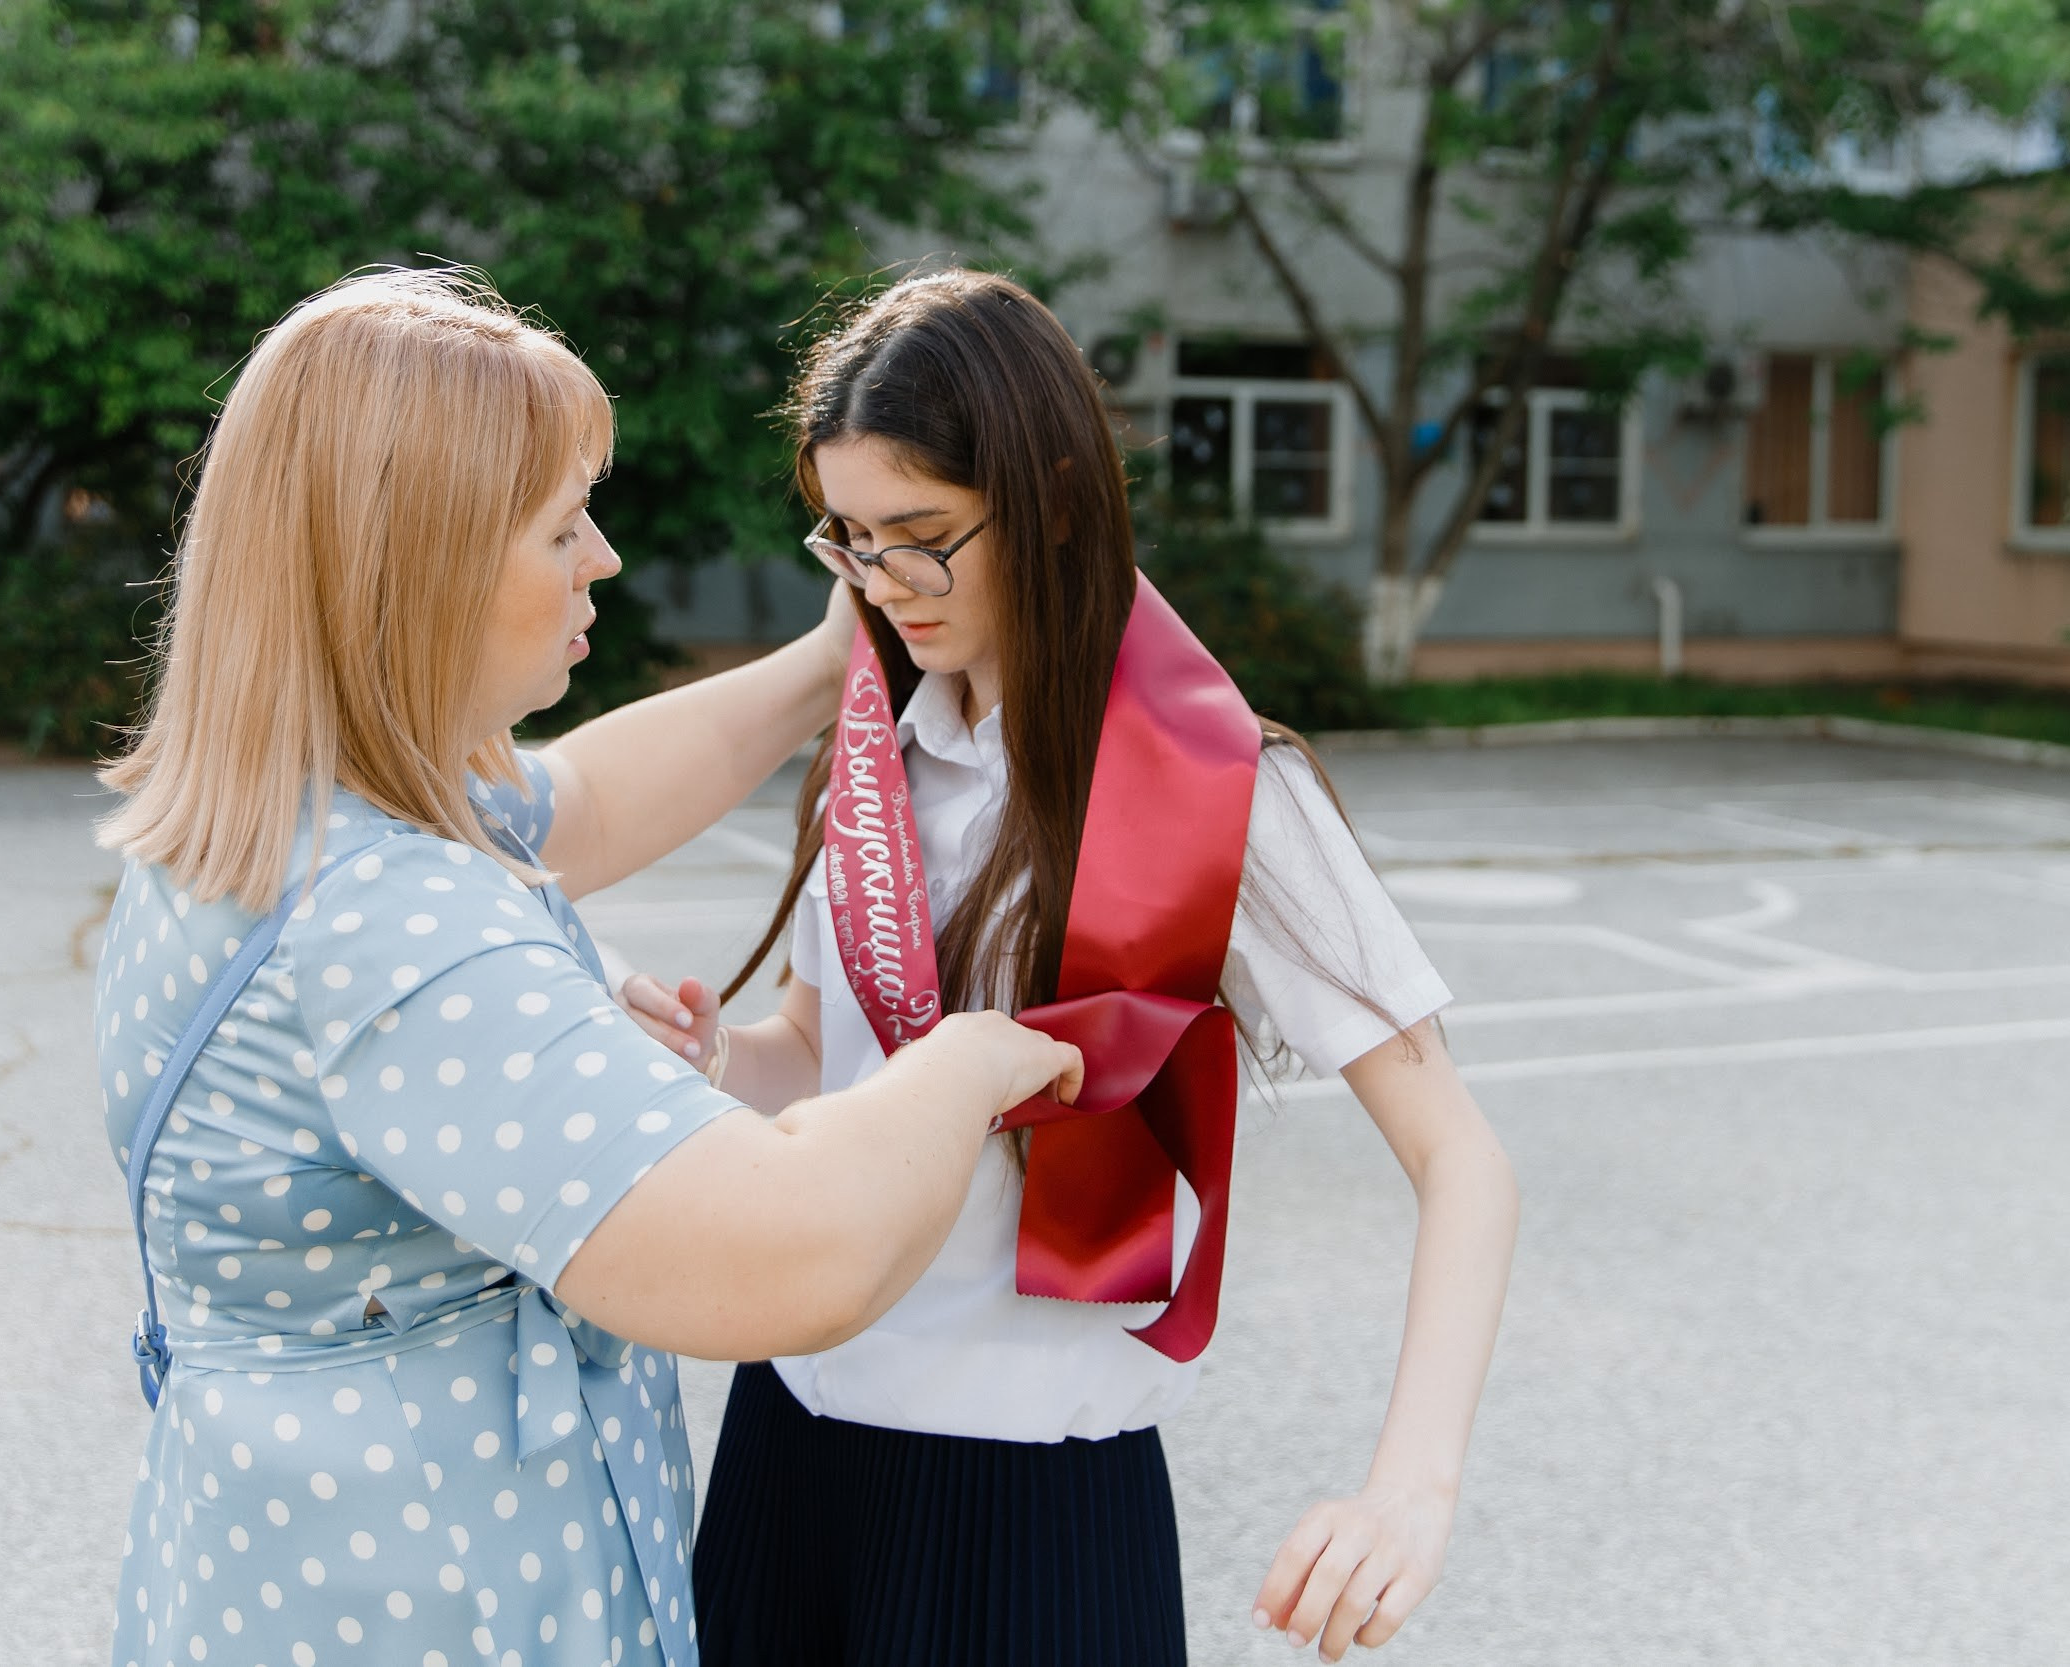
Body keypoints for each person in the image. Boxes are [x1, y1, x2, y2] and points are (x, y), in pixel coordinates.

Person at [90, 268, 1082, 1667]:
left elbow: (588, 800)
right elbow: (793, 1257)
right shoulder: (393, 931)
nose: (602, 559)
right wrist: (975, 1059)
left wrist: (829, 661)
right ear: (418, 564)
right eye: (562, 525)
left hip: (266, 1578)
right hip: (442, 1613)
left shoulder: (272, 823)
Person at [616, 269, 1521, 1667]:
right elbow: (821, 1052)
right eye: (850, 541)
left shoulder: (1218, 789)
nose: (884, 585)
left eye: (923, 538)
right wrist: (715, 1060)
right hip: (789, 1434)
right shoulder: (875, 753)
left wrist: (1411, 1491)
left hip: (1021, 1482)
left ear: (1046, 491)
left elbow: (1462, 1158)